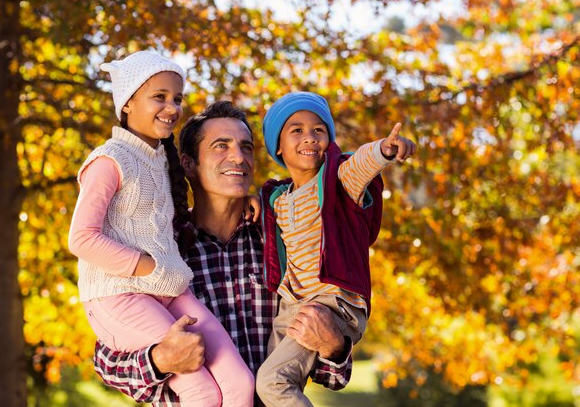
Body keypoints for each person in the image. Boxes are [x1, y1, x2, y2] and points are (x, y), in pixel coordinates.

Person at [93, 101, 355, 406]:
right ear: (189, 164)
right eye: (221, 146)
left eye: (246, 147)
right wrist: (161, 359)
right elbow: (106, 361)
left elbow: (333, 375)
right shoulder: (160, 249)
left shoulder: (280, 241)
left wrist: (334, 346)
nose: (238, 157)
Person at [68, 51, 254, 407]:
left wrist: (259, 195)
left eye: (177, 98)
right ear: (127, 104)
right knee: (201, 391)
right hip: (119, 293)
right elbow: (81, 238)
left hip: (167, 285)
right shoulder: (109, 160)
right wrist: (149, 267)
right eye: (160, 96)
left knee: (239, 384)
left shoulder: (159, 160)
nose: (172, 107)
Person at [256, 91, 417, 406]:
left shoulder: (337, 180)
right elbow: (268, 213)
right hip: (292, 301)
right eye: (297, 130)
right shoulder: (279, 198)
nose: (310, 137)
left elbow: (360, 163)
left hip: (330, 302)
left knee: (273, 382)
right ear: (277, 146)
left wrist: (384, 149)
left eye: (319, 130)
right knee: (267, 390)